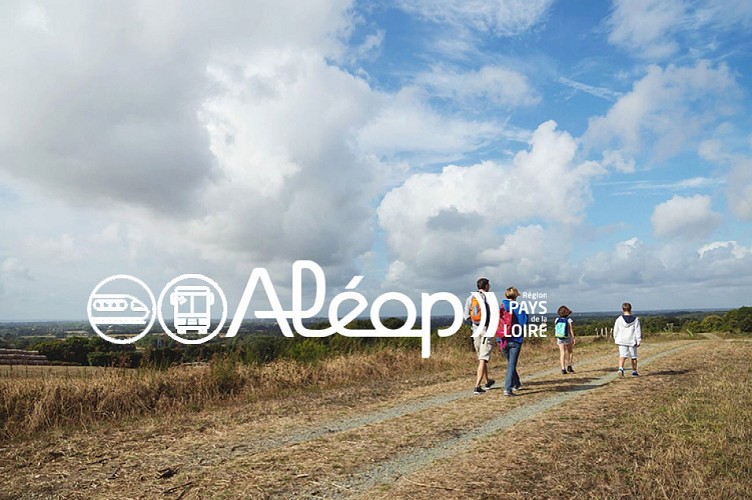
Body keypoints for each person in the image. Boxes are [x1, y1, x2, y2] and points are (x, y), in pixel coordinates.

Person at [464, 278, 495, 395]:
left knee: (481, 358)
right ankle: (477, 386)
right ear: (486, 286)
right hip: (487, 330)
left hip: (475, 330)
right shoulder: (489, 298)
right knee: (483, 358)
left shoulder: (470, 298)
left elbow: (466, 316)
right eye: (489, 285)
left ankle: (487, 382)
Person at [500, 286, 528, 397]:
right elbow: (523, 322)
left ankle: (516, 383)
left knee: (511, 364)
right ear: (516, 296)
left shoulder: (501, 306)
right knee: (512, 365)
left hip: (502, 339)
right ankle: (507, 388)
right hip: (515, 339)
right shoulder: (518, 307)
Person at [613, 302, 642, 376]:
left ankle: (620, 368)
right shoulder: (635, 320)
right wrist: (638, 340)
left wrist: (615, 337)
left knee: (622, 355)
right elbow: (637, 331)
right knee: (633, 356)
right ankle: (634, 371)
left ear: (623, 309)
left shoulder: (619, 319)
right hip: (632, 340)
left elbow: (616, 329)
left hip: (622, 340)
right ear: (631, 309)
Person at [554, 305, 576, 375]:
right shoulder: (569, 320)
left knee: (562, 353)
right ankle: (569, 366)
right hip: (567, 337)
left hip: (559, 337)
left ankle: (563, 369)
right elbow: (571, 330)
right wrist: (573, 338)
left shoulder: (556, 320)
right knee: (570, 352)